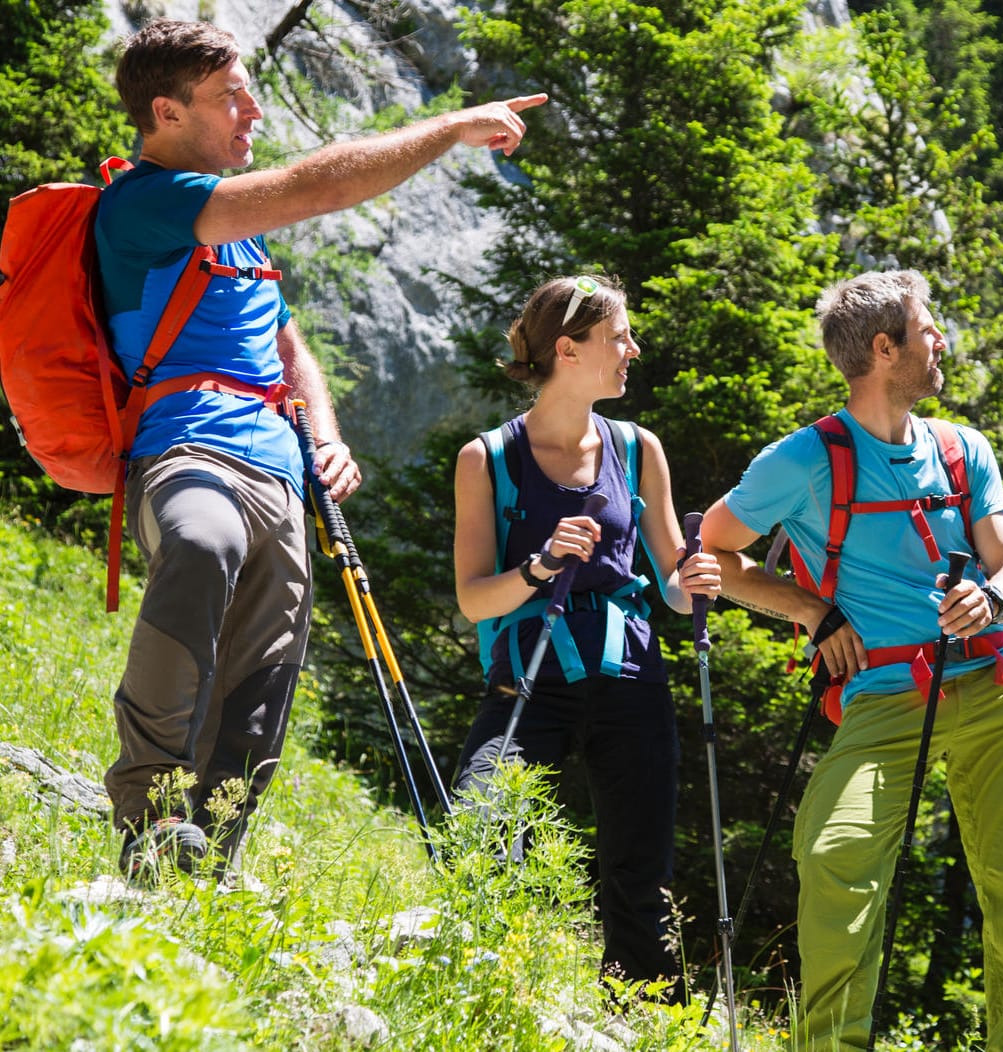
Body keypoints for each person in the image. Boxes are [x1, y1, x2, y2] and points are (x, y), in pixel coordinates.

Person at [99, 18, 547, 883]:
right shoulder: (148, 203)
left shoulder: (237, 237)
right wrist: (451, 129)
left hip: (280, 468)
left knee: (265, 686)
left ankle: (202, 866)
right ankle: (150, 813)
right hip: (187, 446)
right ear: (165, 111)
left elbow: (286, 340)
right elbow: (318, 187)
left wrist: (328, 433)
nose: (253, 110)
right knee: (201, 542)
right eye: (230, 96)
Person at [700, 270, 1003, 1050]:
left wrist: (993, 599)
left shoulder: (964, 449)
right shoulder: (801, 461)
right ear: (882, 347)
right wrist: (809, 609)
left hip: (996, 688)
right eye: (926, 328)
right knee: (835, 854)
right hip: (883, 698)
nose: (941, 341)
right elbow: (711, 554)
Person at [451, 274, 722, 995]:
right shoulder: (488, 459)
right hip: (530, 677)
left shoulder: (637, 448)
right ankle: (482, 991)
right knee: (482, 821)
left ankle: (644, 1016)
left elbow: (668, 577)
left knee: (640, 869)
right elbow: (476, 600)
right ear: (568, 351)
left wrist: (691, 581)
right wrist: (540, 566)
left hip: (632, 677)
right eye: (619, 337)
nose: (633, 348)